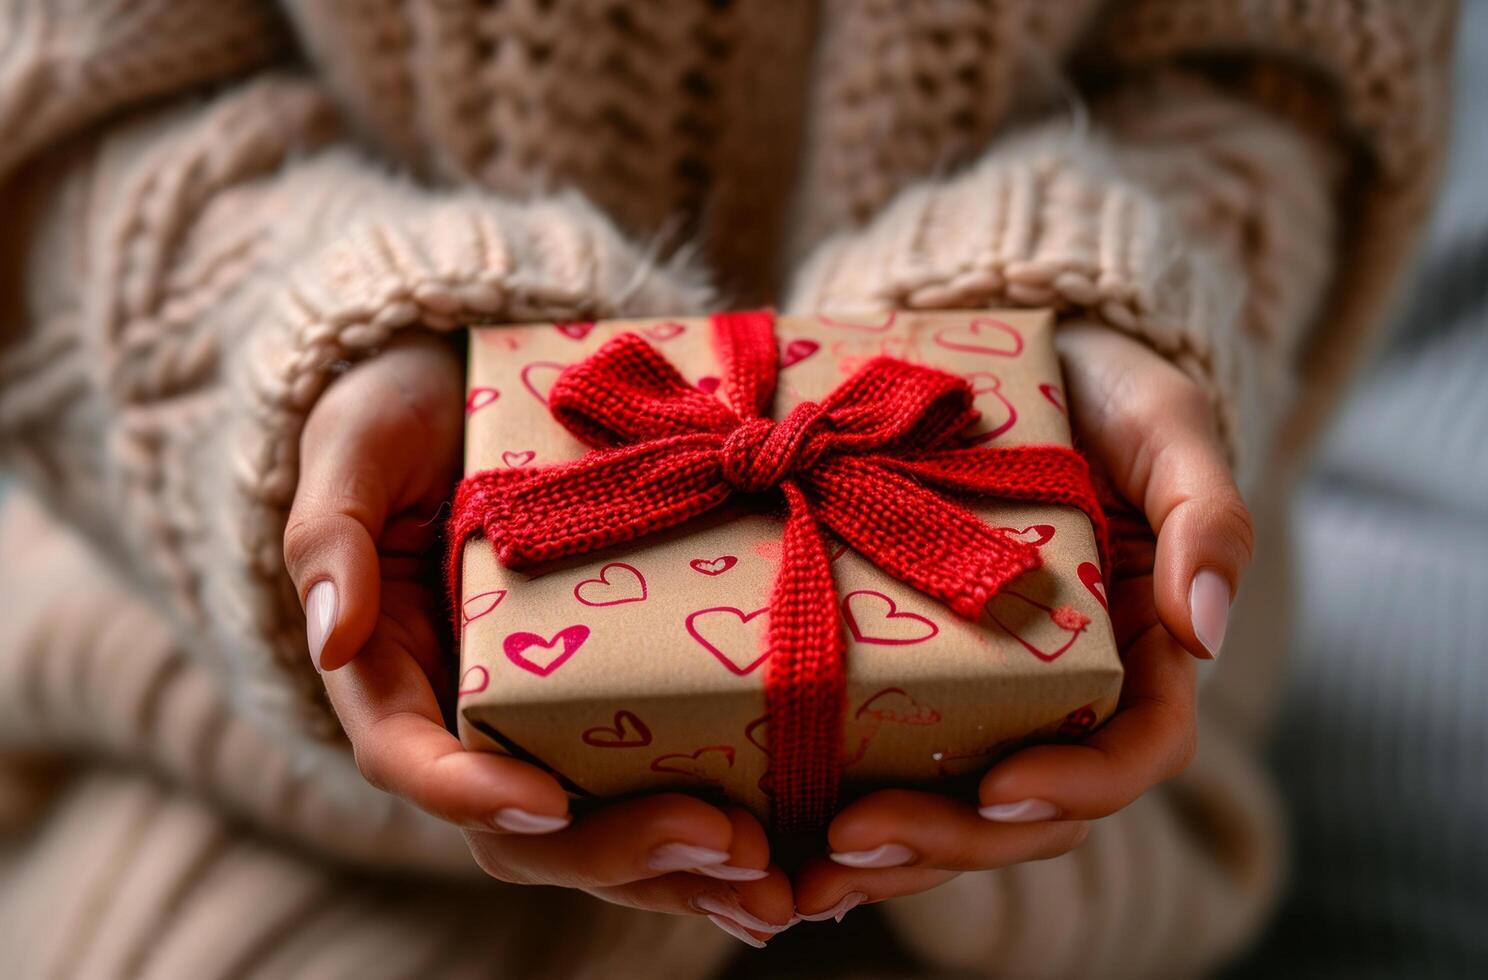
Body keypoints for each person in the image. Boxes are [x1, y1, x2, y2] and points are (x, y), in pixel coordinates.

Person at [0, 1, 1453, 976]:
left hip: (1101, 764)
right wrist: (311, 350)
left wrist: (1098, 296)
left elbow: (1289, 65)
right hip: (241, 753)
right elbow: (69, 103)